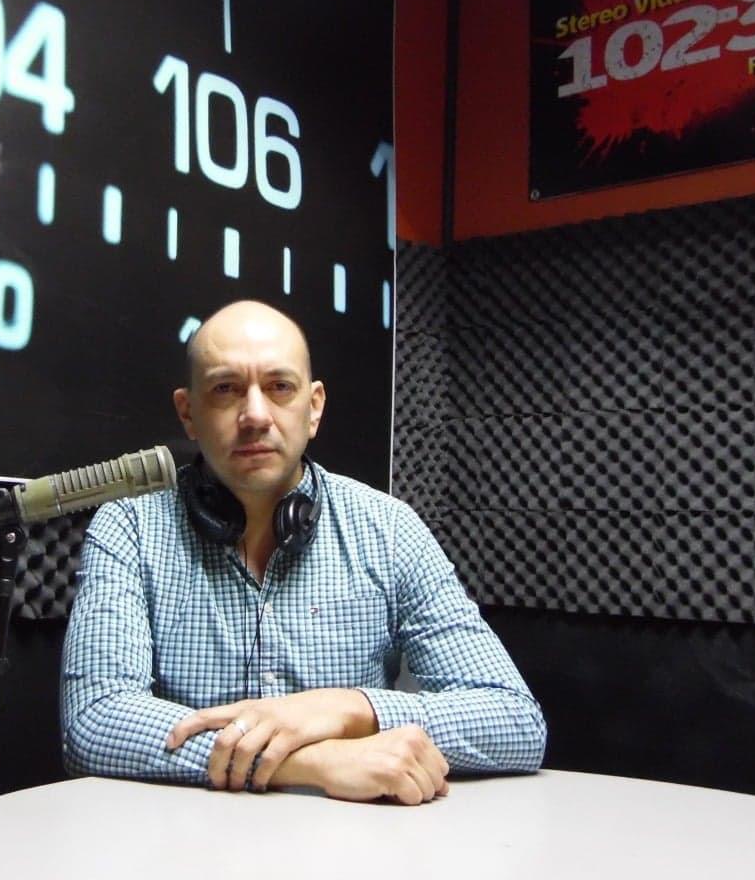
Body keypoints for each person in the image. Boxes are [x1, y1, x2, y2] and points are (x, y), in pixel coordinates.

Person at [60, 300, 545, 804]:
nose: (254, 415)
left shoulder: (390, 529)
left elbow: (515, 719)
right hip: (180, 839)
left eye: (279, 387)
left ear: (313, 407)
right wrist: (312, 762)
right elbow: (94, 720)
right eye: (225, 389)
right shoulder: (130, 527)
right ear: (188, 413)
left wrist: (348, 708)